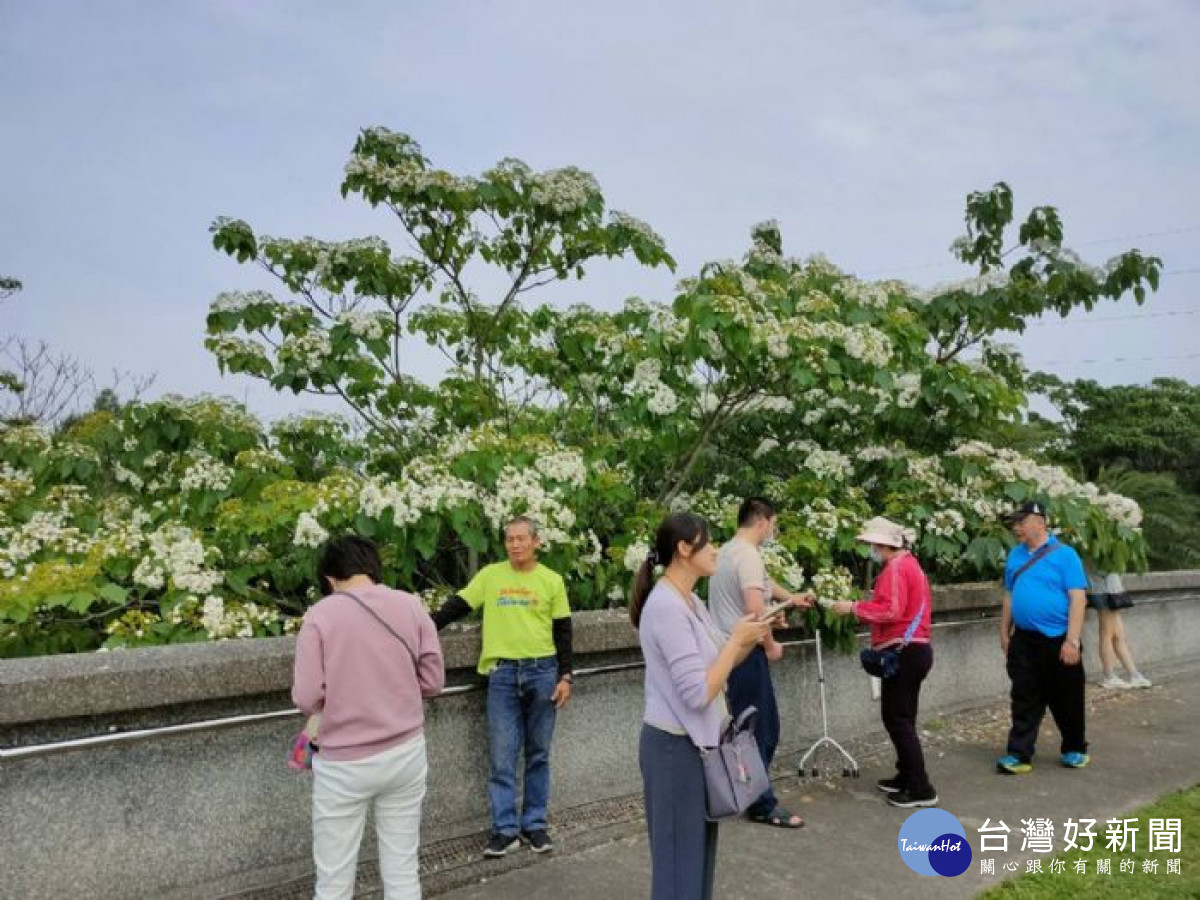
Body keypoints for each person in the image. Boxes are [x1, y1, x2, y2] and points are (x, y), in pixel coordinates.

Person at [292, 535, 446, 900]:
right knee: (402, 868)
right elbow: (434, 681)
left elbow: (307, 695)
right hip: (406, 751)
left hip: (344, 761)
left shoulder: (320, 616)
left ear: (330, 578)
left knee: (334, 878)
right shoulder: (410, 605)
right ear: (372, 567)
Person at [632, 511, 774, 900]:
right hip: (674, 751)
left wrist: (750, 636)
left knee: (697, 860)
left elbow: (719, 665)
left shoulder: (690, 600)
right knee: (679, 868)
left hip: (698, 747)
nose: (714, 549)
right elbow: (698, 691)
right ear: (683, 548)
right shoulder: (666, 607)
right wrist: (735, 642)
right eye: (707, 542)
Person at [430, 515, 574, 858]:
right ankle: (505, 830)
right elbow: (458, 605)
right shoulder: (490, 576)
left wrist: (566, 676)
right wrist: (423, 627)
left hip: (543, 671)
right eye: (510, 539)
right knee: (501, 756)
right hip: (502, 675)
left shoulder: (551, 581)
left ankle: (535, 825)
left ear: (536, 542)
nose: (515, 544)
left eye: (522, 539)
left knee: (538, 753)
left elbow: (564, 631)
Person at [708, 496, 812, 828]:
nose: (774, 530)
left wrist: (791, 599)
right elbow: (755, 609)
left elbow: (764, 588)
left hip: (727, 651)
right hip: (747, 652)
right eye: (774, 523)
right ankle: (760, 802)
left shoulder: (727, 551)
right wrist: (770, 644)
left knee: (745, 728)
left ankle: (749, 794)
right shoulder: (749, 555)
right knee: (762, 731)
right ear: (762, 520)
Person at [830, 516, 936, 809]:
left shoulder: (896, 568)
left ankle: (920, 787)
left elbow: (890, 610)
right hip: (915, 649)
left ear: (884, 544)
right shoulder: (910, 565)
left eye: (873, 544)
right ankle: (906, 776)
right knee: (904, 718)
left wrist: (853, 607)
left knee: (897, 719)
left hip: (903, 650)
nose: (871, 549)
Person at [995, 501, 1090, 774]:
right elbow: (1009, 596)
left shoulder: (1066, 556)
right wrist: (1004, 632)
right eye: (1015, 523)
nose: (1016, 528)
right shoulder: (1015, 556)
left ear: (1039, 521)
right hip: (1024, 640)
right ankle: (1019, 754)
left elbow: (1078, 598)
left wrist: (1072, 641)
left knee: (1067, 698)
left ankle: (1074, 748)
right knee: (1023, 696)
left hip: (1058, 639)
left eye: (1020, 522)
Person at [1087, 570, 1152, 689]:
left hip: (1112, 592)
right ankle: (1109, 676)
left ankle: (1134, 674)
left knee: (1118, 635)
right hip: (1104, 592)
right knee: (1106, 634)